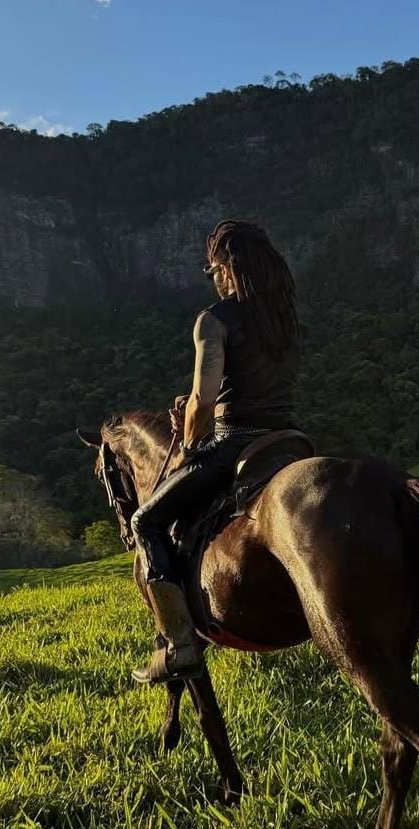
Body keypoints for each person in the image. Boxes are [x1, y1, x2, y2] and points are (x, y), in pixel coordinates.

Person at [130, 219, 301, 685]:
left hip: (235, 443)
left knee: (144, 521)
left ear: (226, 268)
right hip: (289, 440)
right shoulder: (284, 316)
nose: (214, 278)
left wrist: (187, 442)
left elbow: (204, 400)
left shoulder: (214, 320)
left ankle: (180, 644)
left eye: (212, 270)